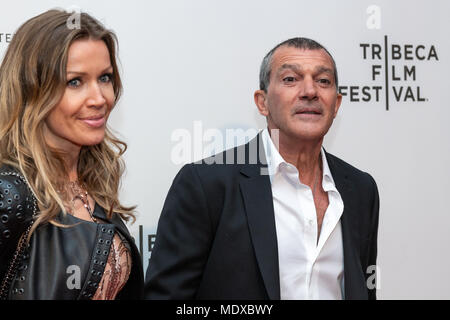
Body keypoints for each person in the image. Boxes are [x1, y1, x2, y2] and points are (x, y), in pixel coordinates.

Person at [145, 37, 379, 300]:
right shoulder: (206, 184)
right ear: (262, 102)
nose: (310, 91)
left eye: (323, 81)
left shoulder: (360, 189)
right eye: (291, 79)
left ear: (336, 104)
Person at [0, 9, 144, 300]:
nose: (99, 98)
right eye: (75, 82)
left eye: (105, 78)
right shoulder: (9, 192)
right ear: (32, 90)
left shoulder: (94, 184)